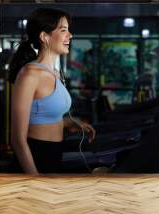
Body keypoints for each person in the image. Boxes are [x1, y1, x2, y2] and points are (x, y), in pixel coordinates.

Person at [9, 8, 96, 175]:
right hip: (35, 155)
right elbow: (17, 140)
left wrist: (72, 123)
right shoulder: (30, 75)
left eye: (68, 30)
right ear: (44, 37)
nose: (70, 35)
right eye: (63, 30)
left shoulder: (55, 73)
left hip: (55, 153)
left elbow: (42, 117)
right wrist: (34, 179)